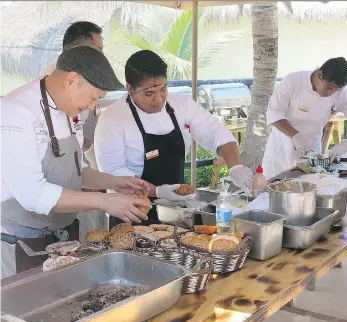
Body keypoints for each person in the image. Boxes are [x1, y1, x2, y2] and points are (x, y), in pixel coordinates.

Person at [1, 46, 150, 278]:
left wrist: (114, 181)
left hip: (63, 236)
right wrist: (104, 201)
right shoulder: (15, 113)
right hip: (21, 242)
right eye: (93, 98)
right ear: (71, 80)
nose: (92, 107)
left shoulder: (70, 112)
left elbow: (77, 168)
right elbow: (33, 194)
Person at [94, 50, 253, 224]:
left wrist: (235, 167)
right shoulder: (112, 118)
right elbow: (116, 174)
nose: (158, 99)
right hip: (132, 212)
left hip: (178, 211)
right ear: (130, 88)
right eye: (148, 94)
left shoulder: (181, 105)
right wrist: (157, 192)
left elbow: (216, 132)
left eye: (163, 89)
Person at [262, 57, 347, 179]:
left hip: (311, 150)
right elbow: (274, 113)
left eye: (335, 91)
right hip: (281, 148)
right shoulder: (292, 82)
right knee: (275, 187)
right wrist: (296, 136)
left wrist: (346, 141)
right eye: (328, 88)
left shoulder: (341, 93)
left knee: (308, 188)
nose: (330, 94)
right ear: (319, 75)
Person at [40, 21, 103, 168]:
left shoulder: (93, 76)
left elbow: (86, 139)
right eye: (97, 50)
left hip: (80, 161)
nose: (102, 57)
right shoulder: (50, 83)